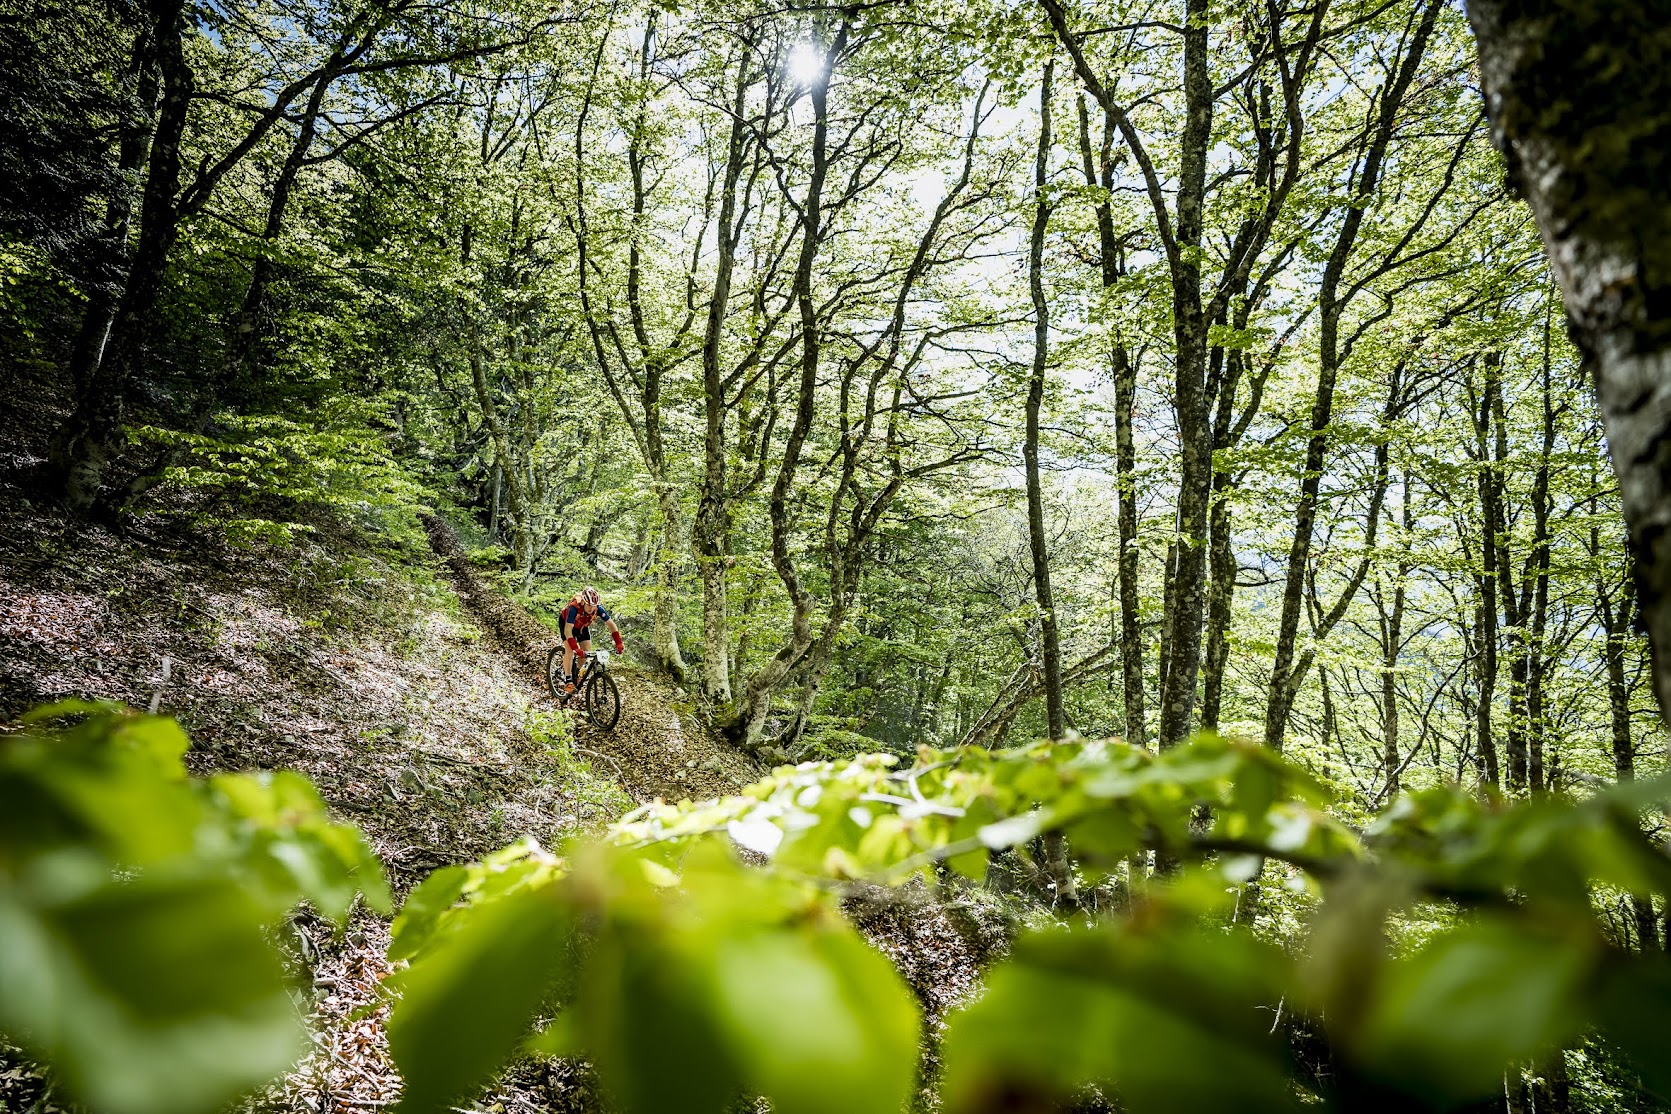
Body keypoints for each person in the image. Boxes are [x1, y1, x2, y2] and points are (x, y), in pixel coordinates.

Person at [559, 586, 624, 697]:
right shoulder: (574, 609)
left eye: (593, 605)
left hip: (582, 626)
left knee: (586, 652)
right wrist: (576, 648)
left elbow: (611, 625)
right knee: (569, 650)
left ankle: (578, 674)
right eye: (589, 605)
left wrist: (618, 642)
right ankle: (568, 680)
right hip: (567, 625)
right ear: (584, 602)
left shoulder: (598, 609)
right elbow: (568, 631)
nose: (591, 608)